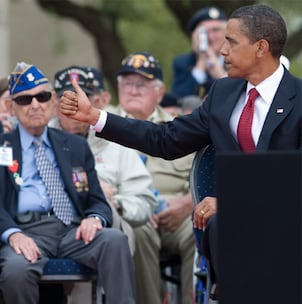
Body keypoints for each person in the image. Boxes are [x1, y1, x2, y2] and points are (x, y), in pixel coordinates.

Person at [60, 4, 302, 300]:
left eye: (231, 41)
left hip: (287, 219)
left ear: (261, 48)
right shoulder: (223, 94)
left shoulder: (299, 100)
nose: (221, 50)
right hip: (230, 228)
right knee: (218, 223)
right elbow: (166, 139)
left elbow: (293, 178)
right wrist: (97, 117)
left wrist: (234, 201)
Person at [0, 61, 135, 304]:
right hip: (24, 230)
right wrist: (13, 234)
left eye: (42, 96)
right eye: (25, 100)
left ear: (53, 101)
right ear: (10, 106)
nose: (35, 105)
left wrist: (95, 217)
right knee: (16, 270)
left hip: (73, 230)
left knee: (115, 241)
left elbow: (97, 199)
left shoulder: (75, 145)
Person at [51, 65, 157, 303]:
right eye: (66, 98)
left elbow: (144, 200)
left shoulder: (115, 139)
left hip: (106, 225)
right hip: (53, 226)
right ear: (54, 103)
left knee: (116, 234)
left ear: (96, 101)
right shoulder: (41, 137)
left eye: (83, 97)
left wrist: (114, 204)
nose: (74, 103)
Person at [110, 51, 196, 304]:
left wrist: (187, 204)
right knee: (138, 231)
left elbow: (201, 175)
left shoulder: (179, 128)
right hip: (128, 210)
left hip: (176, 213)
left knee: (200, 230)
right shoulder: (101, 124)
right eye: (127, 83)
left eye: (142, 84)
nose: (133, 90)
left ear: (159, 92)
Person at [172, 6, 228, 99]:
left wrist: (220, 74)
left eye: (216, 30)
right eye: (204, 32)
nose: (211, 37)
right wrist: (200, 66)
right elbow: (179, 99)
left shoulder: (237, 60)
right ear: (194, 36)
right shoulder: (183, 63)